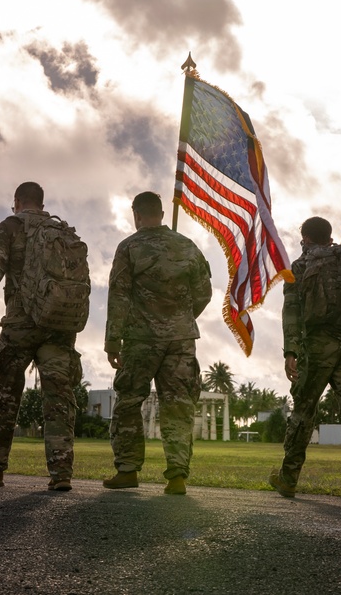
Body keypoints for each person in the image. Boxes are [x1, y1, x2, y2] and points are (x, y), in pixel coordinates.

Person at [0, 181, 88, 491]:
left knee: (7, 393)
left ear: (17, 202)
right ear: (42, 203)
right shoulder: (61, 232)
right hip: (59, 325)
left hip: (21, 323)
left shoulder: (11, 226)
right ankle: (61, 472)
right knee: (59, 396)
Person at [268, 216, 341, 504]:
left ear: (305, 238)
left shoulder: (300, 266)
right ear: (329, 236)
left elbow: (292, 312)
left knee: (304, 411)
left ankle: (289, 477)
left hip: (317, 346)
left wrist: (290, 351)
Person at [102, 191, 212, 495]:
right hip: (181, 339)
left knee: (128, 401)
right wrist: (180, 318)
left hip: (140, 339)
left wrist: (113, 339)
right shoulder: (187, 246)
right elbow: (204, 292)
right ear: (162, 214)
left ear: (136, 214)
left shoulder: (129, 247)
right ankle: (177, 476)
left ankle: (127, 470)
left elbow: (119, 295)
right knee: (178, 405)